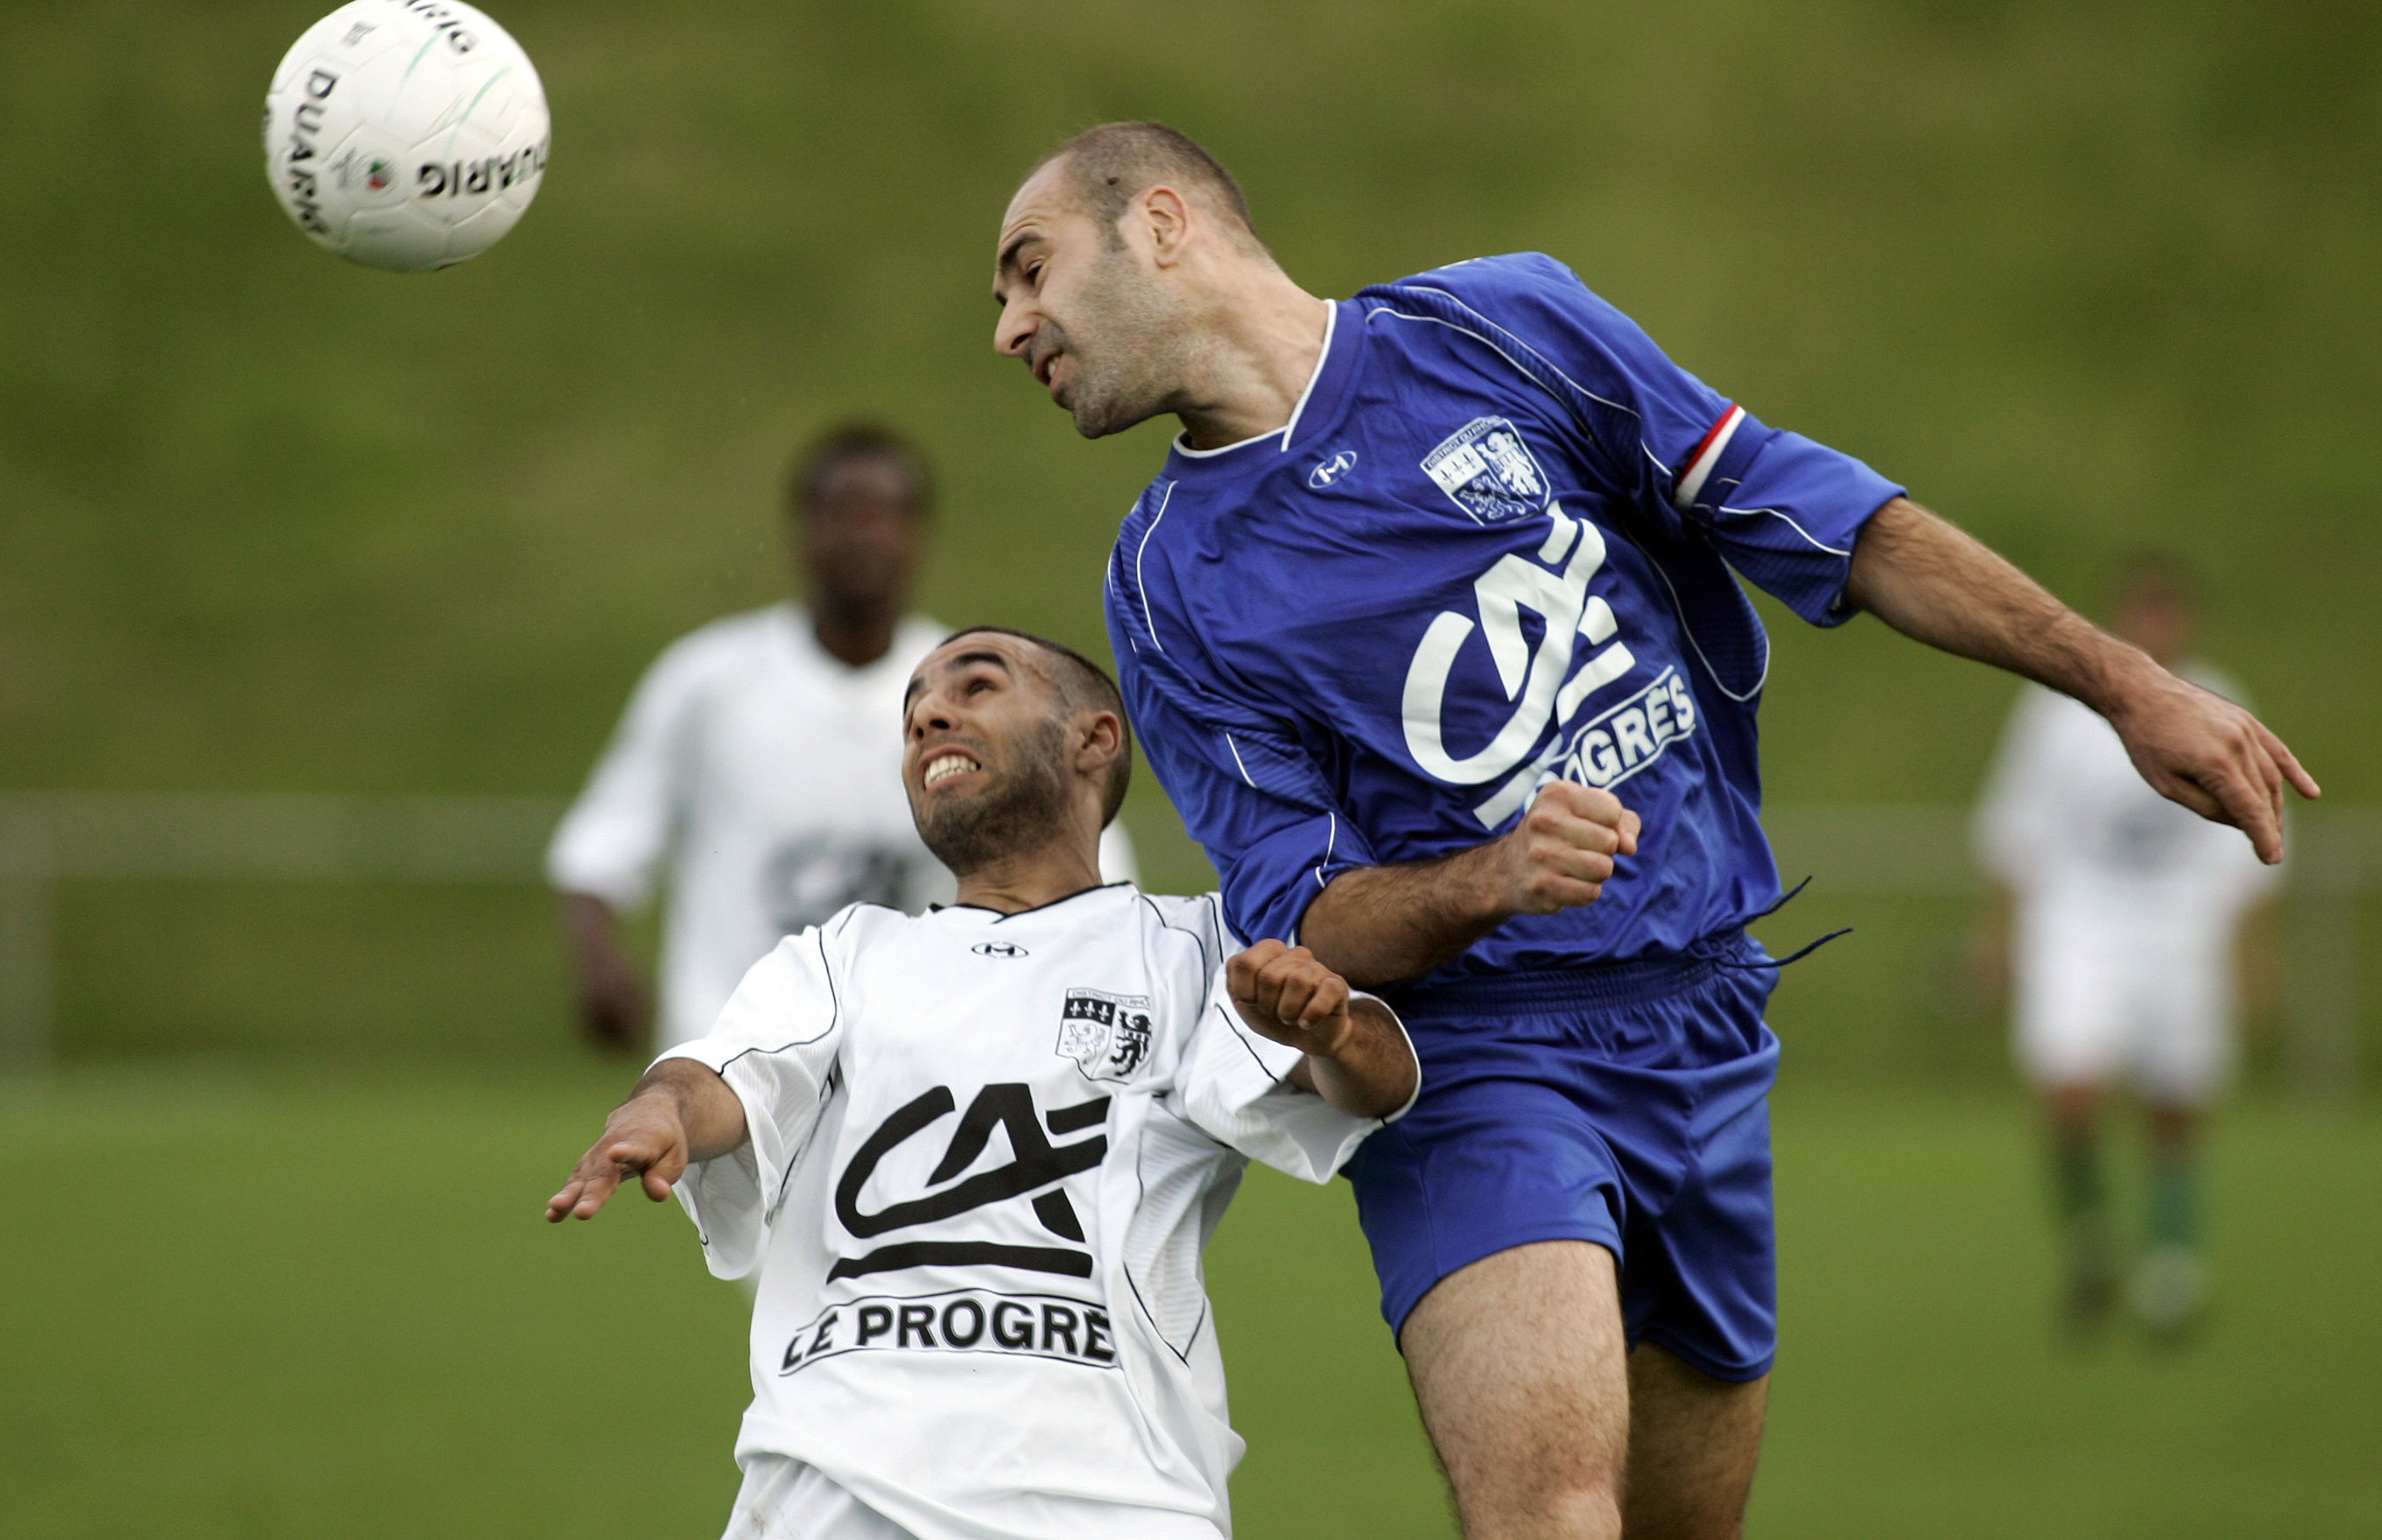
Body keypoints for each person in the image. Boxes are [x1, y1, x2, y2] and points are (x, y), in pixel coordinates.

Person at [988, 122, 2319, 1538]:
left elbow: (1828, 521)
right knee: (1555, 1513)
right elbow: (1301, 926)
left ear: (1168, 224)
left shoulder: (1497, 328)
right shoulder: (1167, 583)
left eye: (1028, 271)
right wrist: (1491, 881)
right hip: (1478, 1064)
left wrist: (2123, 687)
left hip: (1703, 1017)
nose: (1011, 328)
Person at [546, 626, 1419, 1540]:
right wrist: (659, 1107)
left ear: (1094, 739)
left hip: (1113, 1503)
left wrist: (1333, 1028)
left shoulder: (1191, 950)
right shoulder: (847, 956)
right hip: (829, 1498)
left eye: (976, 685)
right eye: (915, 706)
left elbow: (1375, 1084)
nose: (928, 714)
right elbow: (723, 1076)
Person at [545, 423, 1136, 1054]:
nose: (863, 535)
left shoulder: (978, 695)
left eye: (885, 515)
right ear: (802, 529)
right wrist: (598, 962)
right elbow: (605, 842)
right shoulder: (709, 679)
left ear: (918, 535)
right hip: (729, 1051)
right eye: (841, 514)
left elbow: (1086, 860)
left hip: (910, 1058)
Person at [1974, 558, 2281, 1339]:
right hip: (2081, 921)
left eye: (2165, 614)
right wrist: (1998, 938)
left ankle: (2172, 1270)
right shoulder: (2060, 710)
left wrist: (2253, 954)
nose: (2153, 629)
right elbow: (2015, 831)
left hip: (2182, 926)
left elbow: (2258, 839)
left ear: (2185, 621)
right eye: (2138, 615)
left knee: (2175, 1101)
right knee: (2069, 1088)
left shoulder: (2222, 701)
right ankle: (2091, 1244)